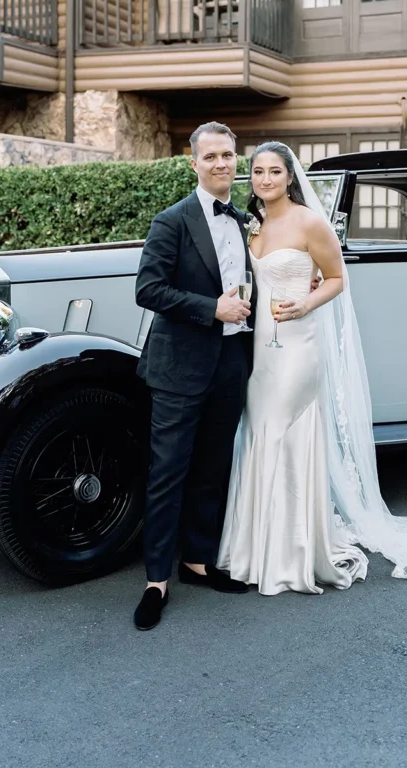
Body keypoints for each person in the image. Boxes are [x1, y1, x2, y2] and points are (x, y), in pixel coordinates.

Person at [218, 141, 407, 595]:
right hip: (260, 348)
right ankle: (254, 546)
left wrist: (306, 301)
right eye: (257, 171)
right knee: (256, 432)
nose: (266, 179)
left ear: (291, 177)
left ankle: (293, 550)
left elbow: (337, 278)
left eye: (275, 170)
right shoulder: (252, 224)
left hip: (298, 344)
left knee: (283, 430)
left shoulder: (309, 221)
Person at [132, 121, 255, 630]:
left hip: (231, 364)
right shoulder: (172, 221)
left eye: (228, 155)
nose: (222, 164)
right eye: (211, 157)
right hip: (180, 367)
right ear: (194, 164)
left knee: (212, 468)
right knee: (167, 476)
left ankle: (198, 561)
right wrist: (212, 309)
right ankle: (156, 581)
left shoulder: (246, 220)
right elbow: (148, 290)